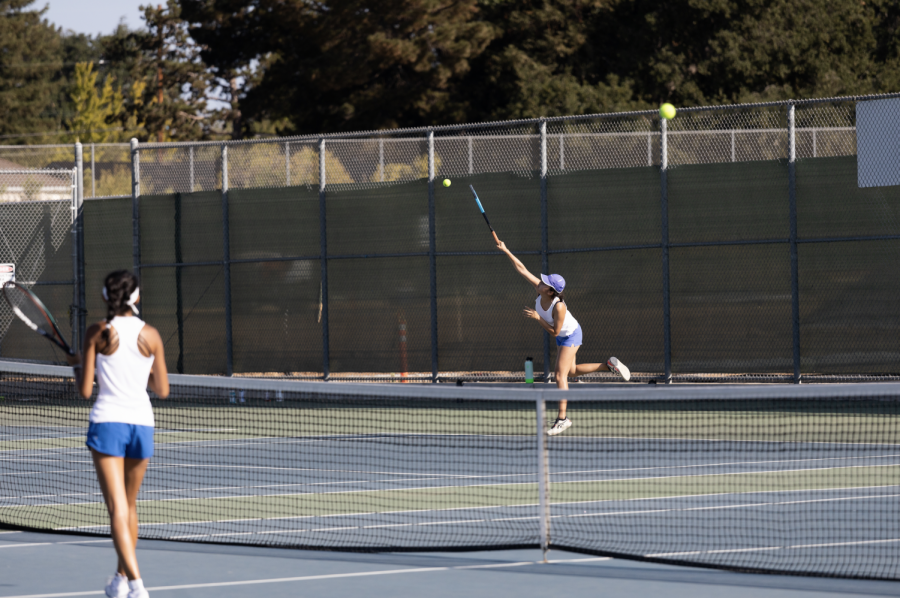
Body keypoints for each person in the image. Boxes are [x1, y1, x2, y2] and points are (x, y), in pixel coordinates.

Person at [67, 270, 169, 598]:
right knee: (129, 506)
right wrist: (144, 370)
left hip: (108, 423)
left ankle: (137, 585)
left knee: (117, 508)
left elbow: (85, 391)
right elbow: (162, 389)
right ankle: (120, 581)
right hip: (141, 424)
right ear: (136, 297)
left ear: (103, 295)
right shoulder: (151, 334)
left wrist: (77, 365)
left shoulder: (96, 332)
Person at [497, 239, 630, 436]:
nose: (540, 282)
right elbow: (522, 269)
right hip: (563, 336)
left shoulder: (559, 306)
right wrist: (506, 250)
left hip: (571, 335)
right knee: (572, 372)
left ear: (551, 291)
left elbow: (555, 332)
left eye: (545, 283)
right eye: (543, 281)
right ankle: (608, 365)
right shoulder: (540, 288)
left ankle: (562, 418)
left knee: (559, 376)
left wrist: (536, 318)